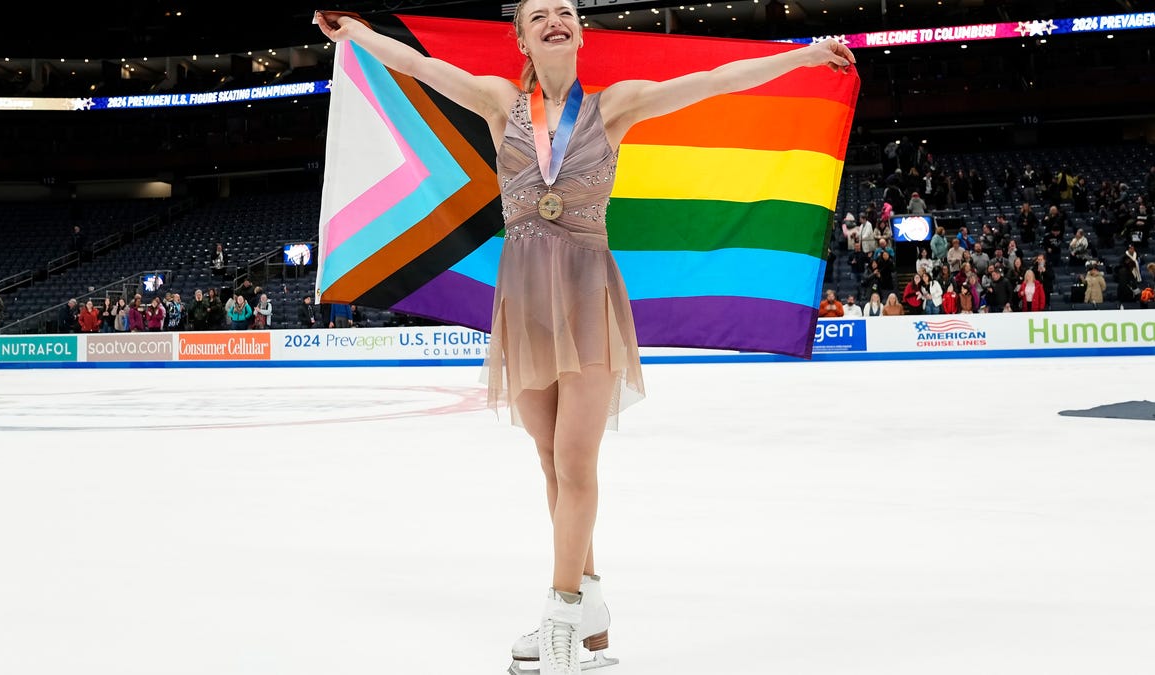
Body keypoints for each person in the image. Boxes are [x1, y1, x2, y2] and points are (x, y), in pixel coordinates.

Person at [316, 6, 856, 674]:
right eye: (539, 15)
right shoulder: (498, 101)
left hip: (587, 294)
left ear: (580, 32)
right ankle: (589, 607)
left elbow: (712, 81)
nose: (554, 20)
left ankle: (561, 617)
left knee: (575, 463)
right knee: (550, 462)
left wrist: (803, 55)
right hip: (524, 298)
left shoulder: (615, 106)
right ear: (522, 38)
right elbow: (419, 67)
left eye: (565, 13)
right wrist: (357, 34)